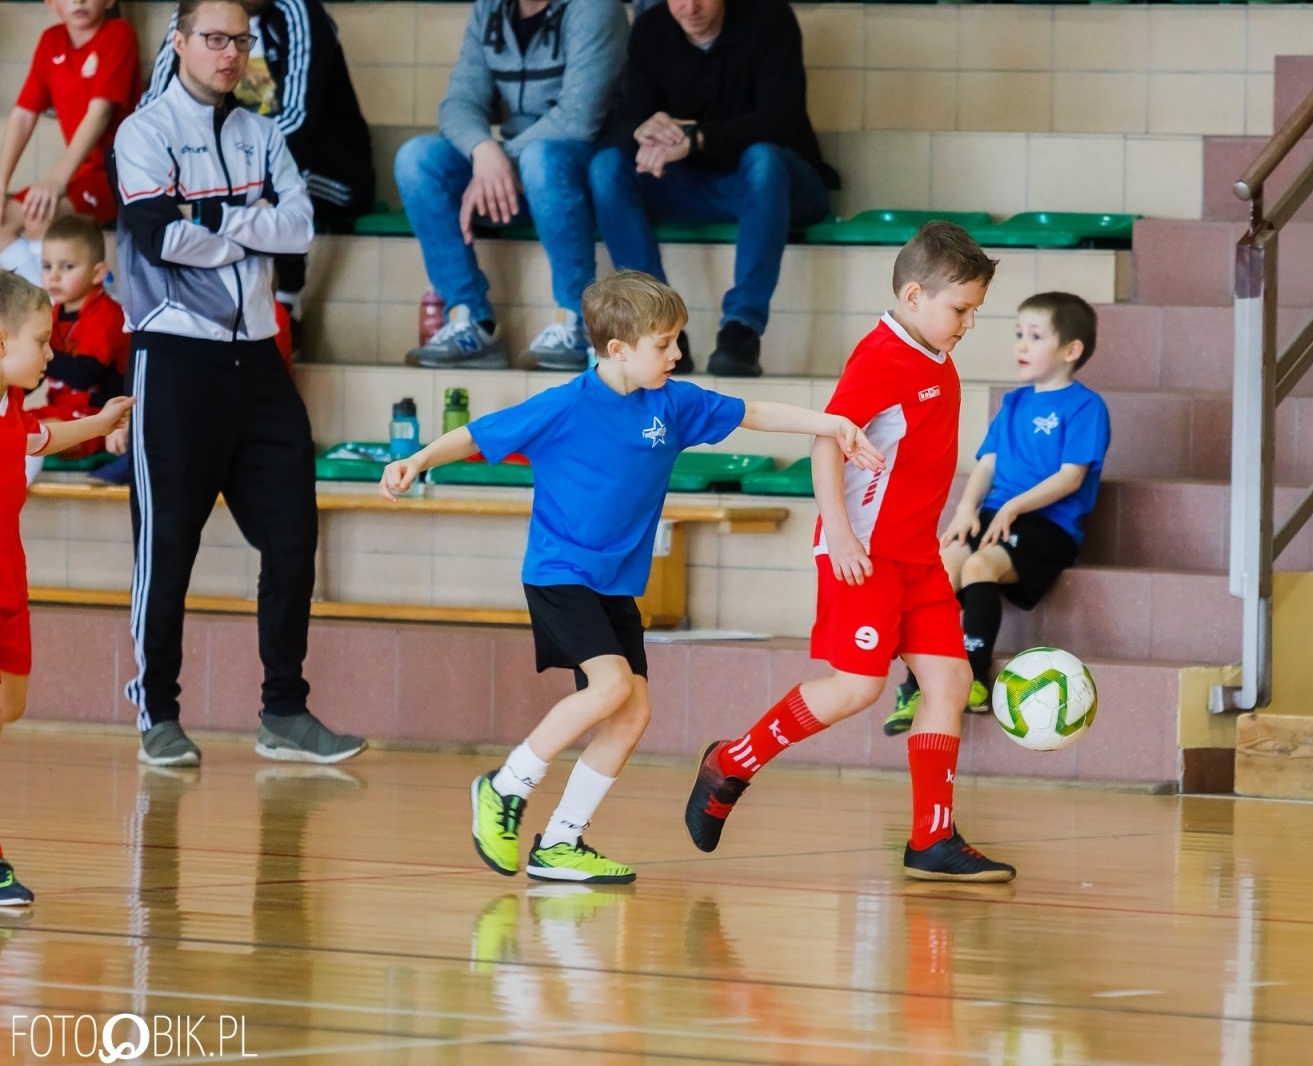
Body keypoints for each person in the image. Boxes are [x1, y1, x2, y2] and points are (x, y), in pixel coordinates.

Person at [379, 270, 884, 883]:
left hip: (615, 585)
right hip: (560, 574)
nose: (676, 353)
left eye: (677, 341)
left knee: (632, 712)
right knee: (611, 687)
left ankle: (560, 842)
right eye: (664, 343)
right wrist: (417, 459)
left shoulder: (674, 403)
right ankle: (505, 786)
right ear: (618, 349)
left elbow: (754, 412)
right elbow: (477, 434)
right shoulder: (564, 405)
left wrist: (829, 424)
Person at [684, 222, 1019, 883]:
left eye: (976, 310)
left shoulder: (937, 358)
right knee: (857, 689)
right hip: (862, 552)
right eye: (961, 309)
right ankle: (730, 764)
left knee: (950, 682)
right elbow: (826, 442)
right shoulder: (881, 357)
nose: (970, 322)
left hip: (916, 557)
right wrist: (837, 531)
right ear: (916, 295)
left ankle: (932, 839)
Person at [113, 0, 366, 768]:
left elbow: (298, 230)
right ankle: (158, 711)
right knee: (168, 549)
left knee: (293, 536)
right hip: (175, 357)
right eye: (215, 39)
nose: (229, 53)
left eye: (240, 40)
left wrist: (219, 224)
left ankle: (283, 710)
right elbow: (159, 237)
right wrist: (245, 221)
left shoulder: (264, 133)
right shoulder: (143, 132)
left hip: (258, 363)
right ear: (181, 42)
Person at [883, 293, 1110, 735]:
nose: (1021, 345)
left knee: (980, 566)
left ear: (1071, 350)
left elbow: (1070, 477)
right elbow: (986, 463)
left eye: (1035, 336)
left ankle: (974, 676)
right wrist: (966, 510)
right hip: (996, 513)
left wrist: (1014, 505)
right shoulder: (1014, 403)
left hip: (1048, 525)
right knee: (942, 566)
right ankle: (915, 685)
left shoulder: (1086, 407)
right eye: (1018, 335)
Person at [588, 0, 837, 378]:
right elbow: (625, 120)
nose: (690, 7)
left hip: (781, 186)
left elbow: (781, 118)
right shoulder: (651, 28)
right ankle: (658, 327)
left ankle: (742, 331)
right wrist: (643, 129)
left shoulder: (769, 17)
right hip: (694, 186)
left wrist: (700, 138)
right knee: (606, 168)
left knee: (763, 160)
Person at [395, 0, 627, 372]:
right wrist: (483, 151)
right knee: (417, 159)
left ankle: (578, 322)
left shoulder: (594, 8)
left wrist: (502, 160)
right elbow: (458, 103)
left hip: (584, 162)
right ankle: (472, 321)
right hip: (516, 164)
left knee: (540, 160)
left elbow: (578, 118)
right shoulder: (490, 9)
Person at [0, 270, 135, 906]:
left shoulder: (13, 405)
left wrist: (100, 419)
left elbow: (39, 437)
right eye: (40, 340)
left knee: (11, 706)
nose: (52, 353)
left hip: (10, 580)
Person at [142, 0, 376, 351]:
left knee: (276, 186)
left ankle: (286, 303)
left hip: (327, 169)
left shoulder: (299, 13)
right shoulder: (196, 13)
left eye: (239, 41)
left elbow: (298, 120)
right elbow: (151, 110)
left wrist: (231, 170)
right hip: (229, 165)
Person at [0, 0, 141, 285]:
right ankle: (41, 312)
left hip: (120, 175)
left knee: (43, 218)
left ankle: (54, 314)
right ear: (51, 3)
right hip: (81, 175)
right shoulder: (51, 41)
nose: (78, 0)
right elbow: (23, 117)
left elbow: (99, 114)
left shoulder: (118, 33)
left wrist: (56, 179)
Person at [34, 214, 129, 461]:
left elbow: (84, 375)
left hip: (98, 419)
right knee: (14, 425)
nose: (53, 276)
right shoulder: (53, 312)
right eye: (47, 266)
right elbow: (35, 376)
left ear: (98, 273)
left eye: (67, 267)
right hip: (60, 411)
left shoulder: (107, 314)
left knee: (32, 434)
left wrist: (37, 352)